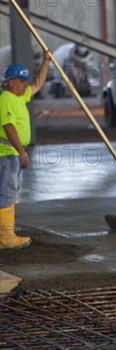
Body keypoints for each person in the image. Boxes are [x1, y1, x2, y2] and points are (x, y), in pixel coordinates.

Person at [0, 52, 51, 250]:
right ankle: (6, 239)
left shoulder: (19, 96)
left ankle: (5, 235)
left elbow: (38, 84)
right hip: (6, 154)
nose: (25, 84)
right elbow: (8, 127)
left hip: (11, 153)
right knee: (6, 193)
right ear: (11, 81)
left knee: (8, 193)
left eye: (25, 81)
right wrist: (21, 152)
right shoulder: (7, 99)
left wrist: (46, 61)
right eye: (21, 81)